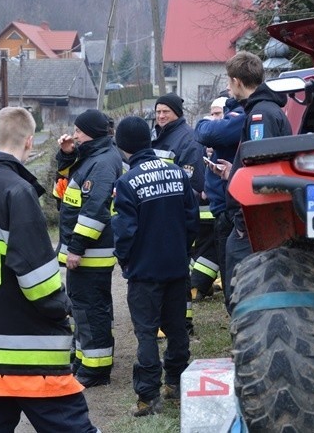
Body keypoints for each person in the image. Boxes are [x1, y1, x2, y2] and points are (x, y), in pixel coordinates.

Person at [0, 107, 98, 433]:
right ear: (29, 142)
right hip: (31, 355)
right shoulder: (18, 191)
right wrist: (65, 311)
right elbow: (39, 283)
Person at [112, 116, 199, 417]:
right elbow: (192, 220)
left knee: (146, 334)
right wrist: (181, 252)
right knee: (177, 330)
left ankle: (148, 397)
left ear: (122, 147)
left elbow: (124, 232)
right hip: (176, 267)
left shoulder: (126, 183)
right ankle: (175, 384)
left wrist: (126, 261)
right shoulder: (177, 173)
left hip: (144, 273)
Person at [55, 109, 122, 388]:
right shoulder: (92, 156)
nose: (75, 134)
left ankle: (96, 370)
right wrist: (68, 154)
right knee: (82, 310)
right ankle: (85, 361)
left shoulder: (104, 163)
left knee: (91, 310)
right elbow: (67, 180)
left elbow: (95, 210)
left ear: (92, 133)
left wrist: (77, 248)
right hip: (85, 253)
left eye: (79, 131)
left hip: (90, 254)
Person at [219, 51, 292, 307]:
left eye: (229, 82)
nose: (228, 88)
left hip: (252, 221)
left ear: (238, 81)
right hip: (254, 220)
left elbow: (261, 169)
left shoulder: (260, 115)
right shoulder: (265, 110)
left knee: (241, 293)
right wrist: (233, 172)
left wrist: (243, 222)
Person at [151, 93, 205, 333]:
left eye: (166, 112)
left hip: (176, 217)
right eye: (158, 111)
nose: (161, 116)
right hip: (159, 216)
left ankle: (184, 322)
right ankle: (170, 320)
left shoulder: (187, 140)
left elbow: (192, 185)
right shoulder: (157, 136)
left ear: (177, 114)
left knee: (179, 271)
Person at [194, 96, 245, 310]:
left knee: (232, 272)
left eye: (219, 114)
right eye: (212, 114)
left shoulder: (239, 119)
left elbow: (206, 131)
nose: (216, 118)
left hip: (230, 210)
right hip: (220, 211)